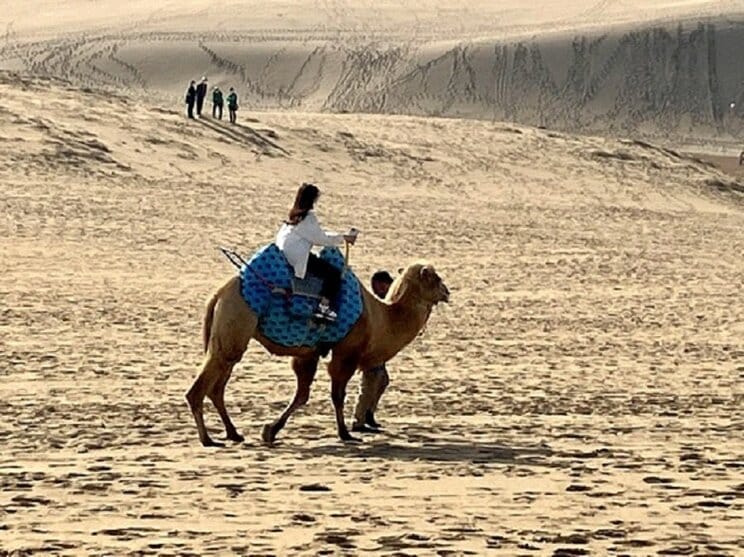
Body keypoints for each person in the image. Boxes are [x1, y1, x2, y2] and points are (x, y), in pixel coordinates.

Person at [275, 183, 356, 322]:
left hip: (286, 253)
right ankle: (323, 308)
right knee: (334, 275)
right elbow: (320, 238)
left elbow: (316, 234)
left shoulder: (294, 214)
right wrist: (344, 238)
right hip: (296, 257)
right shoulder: (307, 217)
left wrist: (341, 236)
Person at [352, 270, 394, 432]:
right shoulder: (375, 305)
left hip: (379, 349)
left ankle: (369, 413)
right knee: (370, 383)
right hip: (371, 349)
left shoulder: (387, 303)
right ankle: (359, 420)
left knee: (382, 380)